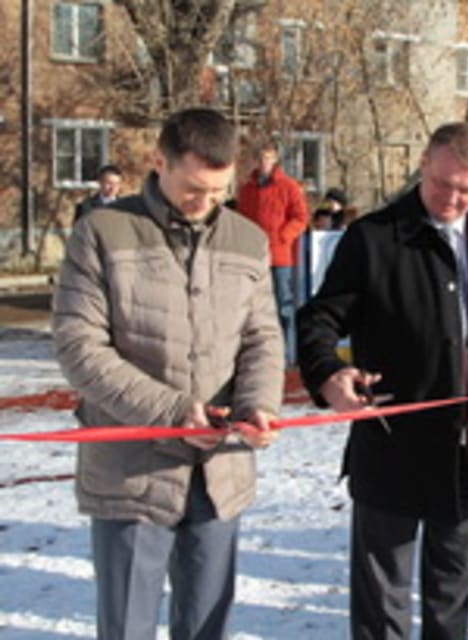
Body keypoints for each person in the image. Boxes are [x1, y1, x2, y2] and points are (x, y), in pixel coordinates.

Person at [296, 122, 468, 639]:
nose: (452, 199)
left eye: (466, 190)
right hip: (394, 444)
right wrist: (329, 374)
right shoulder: (374, 238)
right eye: (441, 184)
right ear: (423, 166)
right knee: (382, 594)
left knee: (452, 590)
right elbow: (319, 320)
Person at [52, 108, 284, 640]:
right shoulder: (102, 232)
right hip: (133, 470)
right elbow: (79, 347)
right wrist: (174, 412)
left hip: (219, 471)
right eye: (194, 188)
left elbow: (262, 338)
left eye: (220, 190)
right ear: (160, 162)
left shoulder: (247, 239)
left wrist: (258, 405)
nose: (207, 202)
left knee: (207, 624)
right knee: (128, 625)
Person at [236, 138, 309, 365]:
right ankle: (258, 355)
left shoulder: (288, 187)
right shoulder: (247, 189)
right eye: (260, 158)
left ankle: (287, 355)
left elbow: (300, 217)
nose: (263, 163)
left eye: (268, 158)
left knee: (283, 306)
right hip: (254, 255)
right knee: (253, 307)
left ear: (275, 159)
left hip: (279, 256)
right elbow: (241, 220)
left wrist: (283, 236)